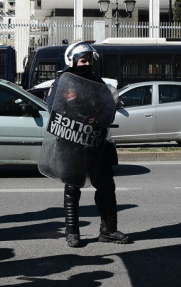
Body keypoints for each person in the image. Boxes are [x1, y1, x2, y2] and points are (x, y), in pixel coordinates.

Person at [46, 41, 130, 248]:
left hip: (95, 141)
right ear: (72, 61)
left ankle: (108, 230)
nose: (87, 64)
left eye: (89, 60)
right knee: (73, 186)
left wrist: (100, 117)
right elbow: (53, 109)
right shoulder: (62, 83)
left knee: (106, 185)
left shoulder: (97, 82)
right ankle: (72, 231)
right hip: (72, 141)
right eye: (83, 60)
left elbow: (107, 107)